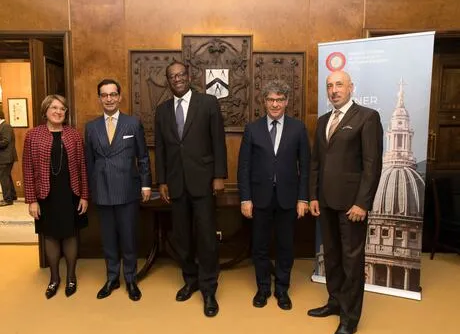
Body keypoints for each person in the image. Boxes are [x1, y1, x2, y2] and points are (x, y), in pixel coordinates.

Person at [308, 71, 383, 334]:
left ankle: (349, 320)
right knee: (333, 256)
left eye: (339, 84)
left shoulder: (367, 117)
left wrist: (362, 202)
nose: (334, 90)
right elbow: (316, 162)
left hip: (352, 205)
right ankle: (335, 302)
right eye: (330, 86)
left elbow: (372, 165)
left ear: (351, 87)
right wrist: (313, 196)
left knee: (352, 262)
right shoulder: (323, 121)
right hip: (325, 203)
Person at [155, 61, 227, 317]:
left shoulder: (208, 103)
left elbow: (218, 140)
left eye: (181, 74)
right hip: (175, 184)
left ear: (189, 76)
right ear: (168, 81)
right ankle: (190, 279)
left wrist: (219, 175)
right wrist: (162, 180)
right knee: (182, 236)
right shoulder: (162, 110)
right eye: (172, 76)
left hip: (204, 181)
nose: (177, 79)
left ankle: (209, 288)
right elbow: (162, 148)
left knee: (206, 237)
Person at [237, 80, 310, 311]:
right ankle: (262, 288)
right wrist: (245, 198)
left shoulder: (298, 128)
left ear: (286, 102)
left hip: (289, 199)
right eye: (271, 100)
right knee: (259, 246)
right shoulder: (253, 128)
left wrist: (303, 198)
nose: (275, 104)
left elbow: (306, 167)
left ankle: (281, 289)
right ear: (264, 102)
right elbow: (244, 166)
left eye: (279, 100)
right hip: (259, 199)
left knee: (285, 246)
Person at [85, 79, 152, 302]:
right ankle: (112, 277)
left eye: (113, 94)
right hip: (102, 191)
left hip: (128, 190)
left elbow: (142, 156)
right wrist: (90, 190)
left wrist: (145, 184)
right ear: (99, 99)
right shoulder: (91, 127)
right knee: (109, 238)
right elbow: (89, 162)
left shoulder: (132, 124)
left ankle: (130, 278)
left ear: (120, 97)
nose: (109, 99)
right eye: (104, 95)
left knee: (129, 236)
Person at [23, 95, 89, 299]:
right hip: (45, 194)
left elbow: (82, 167)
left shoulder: (74, 135)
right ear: (45, 111)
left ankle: (70, 277)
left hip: (70, 193)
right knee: (50, 236)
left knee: (70, 235)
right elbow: (27, 168)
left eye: (62, 108)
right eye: (54, 107)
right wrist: (32, 199)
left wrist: (84, 196)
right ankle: (54, 278)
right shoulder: (33, 135)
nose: (58, 111)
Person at [0, 109, 18, 206]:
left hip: (5, 157)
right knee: (7, 176)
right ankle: (13, 195)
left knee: (3, 177)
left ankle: (7, 199)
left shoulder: (5, 126)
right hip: (5, 157)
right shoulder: (3, 126)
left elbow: (5, 141)